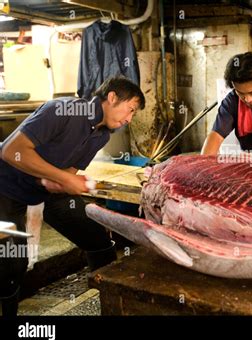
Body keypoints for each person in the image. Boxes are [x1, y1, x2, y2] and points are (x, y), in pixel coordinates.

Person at [0, 76, 145, 316]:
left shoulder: (101, 135)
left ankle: (108, 306)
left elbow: (67, 174)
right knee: (12, 263)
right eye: (130, 110)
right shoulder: (62, 110)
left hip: (42, 190)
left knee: (97, 238)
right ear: (111, 98)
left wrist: (61, 182)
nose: (129, 119)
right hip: (5, 187)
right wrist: (64, 179)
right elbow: (11, 150)